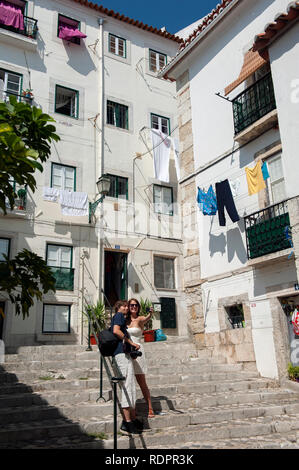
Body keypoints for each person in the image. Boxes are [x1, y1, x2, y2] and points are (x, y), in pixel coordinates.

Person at [111, 300, 143, 434]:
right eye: (124, 306)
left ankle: (132, 419)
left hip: (124, 355)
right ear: (119, 308)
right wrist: (130, 342)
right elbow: (116, 331)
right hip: (121, 355)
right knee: (127, 386)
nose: (126, 308)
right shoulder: (118, 315)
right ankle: (127, 422)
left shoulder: (120, 318)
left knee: (130, 386)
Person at [127, 298, 155, 418]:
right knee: (129, 382)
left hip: (138, 350)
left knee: (141, 381)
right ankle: (132, 409)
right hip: (127, 351)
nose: (134, 307)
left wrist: (151, 312)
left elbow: (148, 317)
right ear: (128, 307)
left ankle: (150, 407)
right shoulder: (125, 320)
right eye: (131, 305)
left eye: (136, 305)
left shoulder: (140, 319)